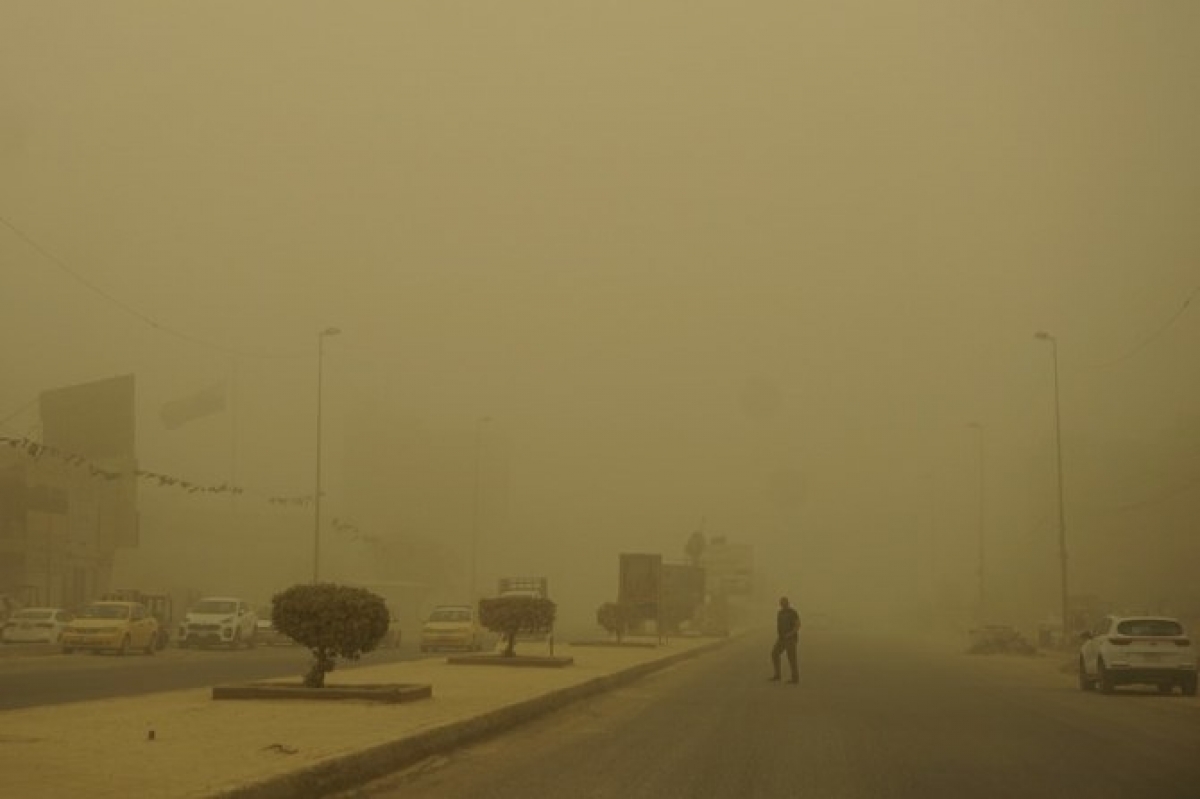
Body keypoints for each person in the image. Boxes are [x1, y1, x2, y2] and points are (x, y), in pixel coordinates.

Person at [769, 596, 801, 683]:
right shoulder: (780, 613)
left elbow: (798, 625)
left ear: (787, 603)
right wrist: (780, 635)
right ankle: (777, 674)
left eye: (783, 603)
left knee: (791, 658)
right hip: (782, 638)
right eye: (781, 603)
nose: (782, 605)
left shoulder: (793, 612)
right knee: (774, 653)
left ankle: (795, 678)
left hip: (791, 638)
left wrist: (790, 634)